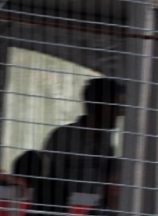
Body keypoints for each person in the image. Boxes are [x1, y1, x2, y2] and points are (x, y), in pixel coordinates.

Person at [39, 77, 126, 207]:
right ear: (102, 106)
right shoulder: (63, 138)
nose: (120, 114)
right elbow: (46, 183)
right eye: (117, 107)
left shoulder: (109, 144)